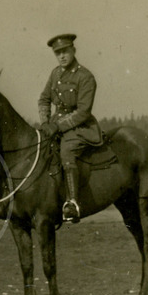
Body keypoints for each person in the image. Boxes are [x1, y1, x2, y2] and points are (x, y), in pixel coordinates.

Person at [38, 34, 104, 223]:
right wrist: (45, 124)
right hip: (56, 125)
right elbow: (44, 99)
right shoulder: (55, 74)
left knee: (66, 151)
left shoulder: (85, 76)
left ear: (73, 50)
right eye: (57, 53)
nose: (62, 56)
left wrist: (57, 126)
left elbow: (83, 111)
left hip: (80, 127)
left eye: (65, 51)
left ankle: (72, 203)